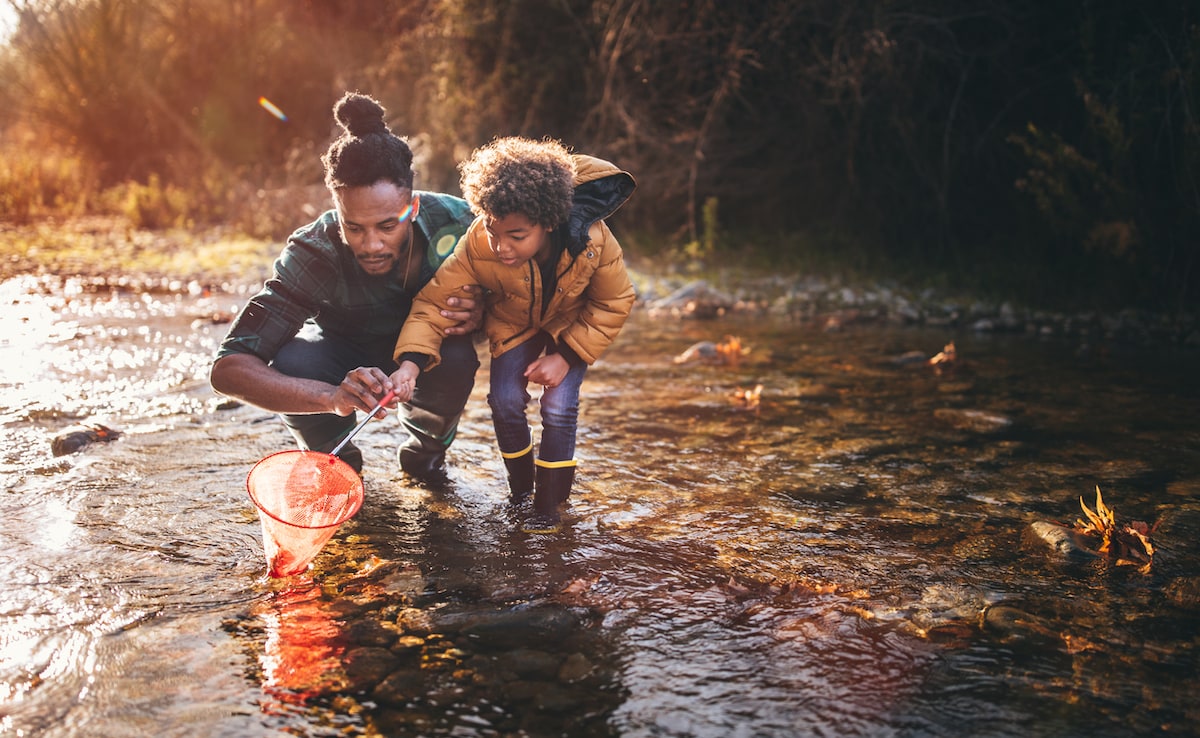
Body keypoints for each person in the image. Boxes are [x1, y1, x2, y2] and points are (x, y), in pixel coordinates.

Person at [210, 92, 483, 483]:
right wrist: (330, 399)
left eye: (388, 226)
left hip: (430, 358)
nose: (371, 245)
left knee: (458, 357)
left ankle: (425, 458)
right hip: (339, 358)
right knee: (293, 360)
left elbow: (532, 293)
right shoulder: (313, 251)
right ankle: (339, 469)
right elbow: (228, 369)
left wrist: (483, 314)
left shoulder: (461, 224)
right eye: (353, 227)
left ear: (414, 207)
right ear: (336, 208)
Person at [388, 136, 636, 531]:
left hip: (570, 327)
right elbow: (434, 303)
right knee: (503, 400)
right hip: (512, 323)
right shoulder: (477, 244)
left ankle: (549, 508)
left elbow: (615, 300)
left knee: (558, 406)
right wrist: (411, 364)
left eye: (516, 236)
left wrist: (567, 357)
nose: (501, 247)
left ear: (548, 222)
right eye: (493, 230)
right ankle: (521, 495)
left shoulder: (593, 241)